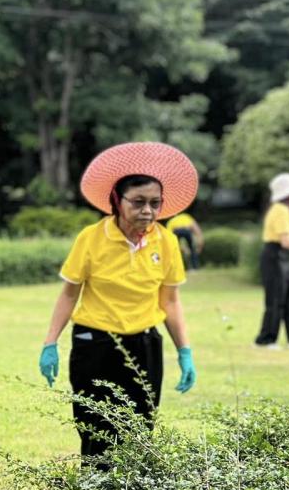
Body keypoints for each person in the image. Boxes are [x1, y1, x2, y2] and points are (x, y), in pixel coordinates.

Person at [38, 142, 198, 459]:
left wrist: (185, 351)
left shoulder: (165, 241)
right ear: (117, 200)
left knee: (140, 430)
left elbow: (170, 302)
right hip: (94, 343)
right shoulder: (91, 238)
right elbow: (70, 293)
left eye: (155, 203)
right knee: (94, 426)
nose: (148, 211)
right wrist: (50, 342)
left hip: (144, 345)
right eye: (138, 202)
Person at [254, 172, 289, 350]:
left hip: (281, 257)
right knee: (276, 299)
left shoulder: (281, 210)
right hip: (274, 256)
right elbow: (286, 241)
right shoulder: (281, 211)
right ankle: (266, 340)